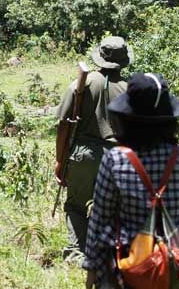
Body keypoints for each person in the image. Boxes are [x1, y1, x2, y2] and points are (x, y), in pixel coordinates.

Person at [84, 73, 179, 288]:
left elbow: (99, 220)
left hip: (129, 270)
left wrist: (91, 269)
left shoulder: (116, 159)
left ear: (127, 119)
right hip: (176, 270)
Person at [55, 36, 133, 262]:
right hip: (119, 158)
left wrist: (60, 160)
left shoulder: (81, 85)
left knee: (77, 206)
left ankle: (77, 253)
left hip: (84, 155)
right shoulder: (131, 91)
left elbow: (63, 126)